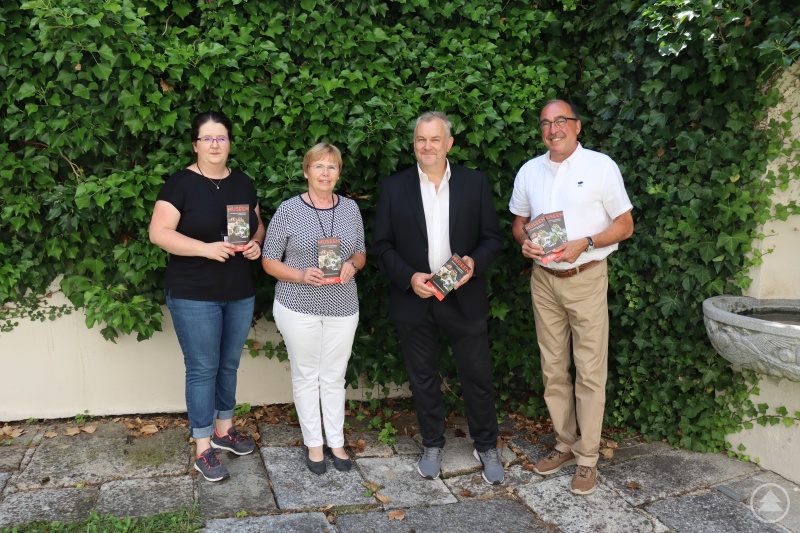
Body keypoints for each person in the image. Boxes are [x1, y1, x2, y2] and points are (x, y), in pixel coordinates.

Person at [508, 100, 634, 495]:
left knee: (590, 370)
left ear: (577, 126)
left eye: (561, 121)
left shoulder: (601, 166)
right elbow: (519, 224)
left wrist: (587, 242)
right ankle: (564, 443)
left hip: (586, 277)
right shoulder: (530, 170)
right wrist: (525, 242)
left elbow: (625, 225)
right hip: (544, 280)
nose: (553, 129)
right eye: (546, 123)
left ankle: (588, 457)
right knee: (553, 367)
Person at [373, 111, 505, 485]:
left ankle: (486, 444)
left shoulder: (474, 182)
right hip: (415, 297)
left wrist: (472, 265)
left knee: (477, 375)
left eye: (435, 139)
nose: (427, 146)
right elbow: (381, 246)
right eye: (420, 139)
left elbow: (492, 239)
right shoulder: (394, 187)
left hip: (462, 296)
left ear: (449, 143)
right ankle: (432, 443)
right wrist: (408, 276)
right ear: (413, 144)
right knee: (423, 378)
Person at [149, 111, 265, 482]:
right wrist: (204, 248)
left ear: (230, 142)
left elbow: (256, 223)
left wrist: (256, 245)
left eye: (222, 138)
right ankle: (203, 447)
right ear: (195, 144)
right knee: (202, 369)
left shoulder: (243, 182)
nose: (215, 145)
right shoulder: (180, 184)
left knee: (228, 364)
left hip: (238, 291)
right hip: (194, 293)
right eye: (207, 138)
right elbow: (159, 233)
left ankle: (224, 431)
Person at [261, 143, 366, 475]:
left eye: (332, 167)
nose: (325, 173)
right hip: (298, 304)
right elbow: (268, 261)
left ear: (339, 174)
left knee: (334, 376)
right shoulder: (289, 210)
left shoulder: (350, 209)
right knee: (307, 375)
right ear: (306, 171)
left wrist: (352, 264)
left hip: (343, 304)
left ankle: (336, 442)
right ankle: (314, 444)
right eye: (318, 166)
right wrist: (302, 275)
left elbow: (361, 253)